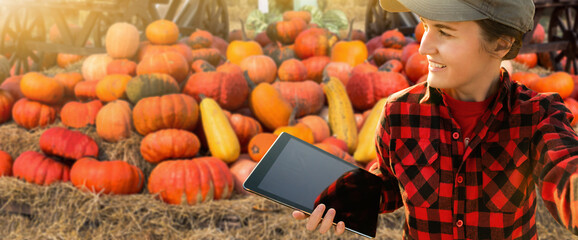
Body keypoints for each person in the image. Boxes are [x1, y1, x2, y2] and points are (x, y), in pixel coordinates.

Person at [292, 0, 578, 239]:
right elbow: (392, 183)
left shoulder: (537, 118)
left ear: (500, 45)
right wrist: (344, 194)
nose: (423, 46)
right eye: (426, 26)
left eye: (445, 31)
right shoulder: (399, 114)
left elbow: (566, 172)